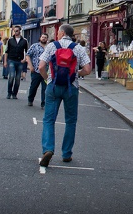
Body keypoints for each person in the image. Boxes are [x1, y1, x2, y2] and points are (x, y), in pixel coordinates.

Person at [37, 24, 92, 167]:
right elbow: (87, 69)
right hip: (71, 87)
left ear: (61, 33)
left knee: (49, 119)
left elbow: (41, 66)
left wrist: (46, 79)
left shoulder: (51, 46)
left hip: (53, 86)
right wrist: (75, 74)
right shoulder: (78, 48)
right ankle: (67, 153)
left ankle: (48, 149)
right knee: (71, 121)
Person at [4, 26, 29, 99]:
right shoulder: (10, 40)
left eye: (17, 31)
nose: (15, 32)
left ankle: (14, 94)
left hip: (20, 61)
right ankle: (9, 92)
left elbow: (27, 52)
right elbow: (6, 51)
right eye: (14, 31)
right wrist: (5, 61)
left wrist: (25, 59)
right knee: (11, 76)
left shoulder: (24, 41)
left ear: (20, 31)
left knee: (18, 78)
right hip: (11, 60)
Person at [26, 32, 49, 108]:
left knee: (45, 88)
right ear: (40, 38)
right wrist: (30, 66)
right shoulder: (34, 46)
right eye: (42, 37)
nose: (44, 38)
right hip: (36, 70)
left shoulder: (49, 47)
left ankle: (44, 103)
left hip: (46, 71)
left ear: (47, 39)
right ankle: (30, 100)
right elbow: (28, 55)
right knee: (34, 86)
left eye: (45, 37)